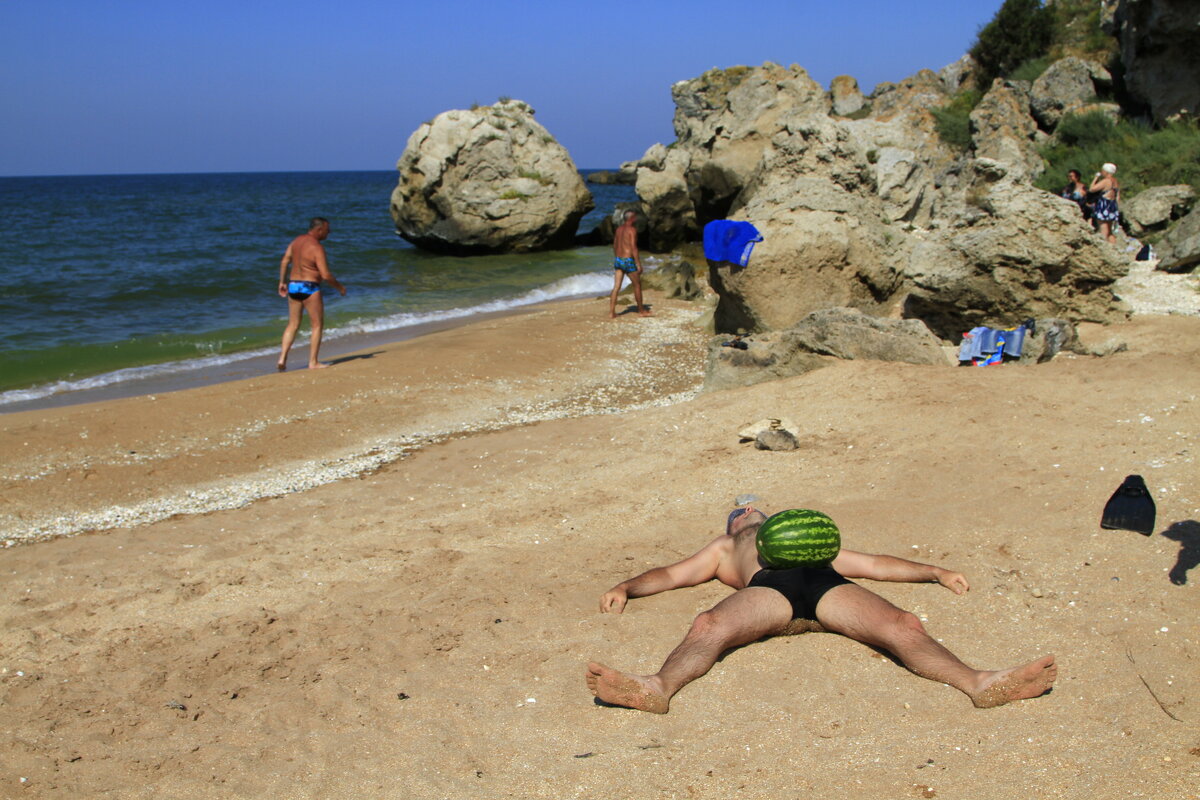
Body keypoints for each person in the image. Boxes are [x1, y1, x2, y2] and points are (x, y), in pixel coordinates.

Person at [586, 504, 1057, 714]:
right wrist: (627, 586)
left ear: (771, 515)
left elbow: (873, 564)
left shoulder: (810, 542)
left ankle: (980, 683)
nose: (748, 510)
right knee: (710, 624)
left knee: (902, 624)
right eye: (740, 510)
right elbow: (671, 575)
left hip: (827, 586)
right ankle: (657, 687)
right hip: (770, 592)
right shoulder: (725, 548)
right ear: (734, 522)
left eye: (754, 507)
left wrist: (933, 571)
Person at [277, 217, 346, 371]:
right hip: (310, 287)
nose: (329, 233)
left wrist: (282, 282)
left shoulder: (296, 241)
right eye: (327, 230)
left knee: (293, 324)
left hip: (293, 286)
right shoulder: (317, 247)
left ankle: (282, 358)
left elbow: (284, 261)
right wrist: (340, 287)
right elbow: (326, 275)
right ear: (319, 229)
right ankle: (313, 362)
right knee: (316, 325)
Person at [608, 210, 650, 319]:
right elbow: (633, 248)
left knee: (616, 287)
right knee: (637, 285)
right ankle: (641, 310)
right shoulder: (632, 230)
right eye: (635, 217)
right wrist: (638, 263)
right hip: (628, 260)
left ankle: (611, 312)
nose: (636, 219)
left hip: (618, 259)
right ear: (632, 218)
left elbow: (615, 244)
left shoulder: (618, 229)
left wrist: (617, 257)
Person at [1089, 163, 1121, 245]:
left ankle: (1104, 248)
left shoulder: (1106, 181)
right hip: (1112, 205)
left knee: (1103, 229)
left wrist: (1095, 178)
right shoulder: (1115, 181)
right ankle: (1114, 248)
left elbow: (1092, 189)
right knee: (1110, 231)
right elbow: (1118, 196)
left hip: (1104, 205)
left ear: (1106, 171)